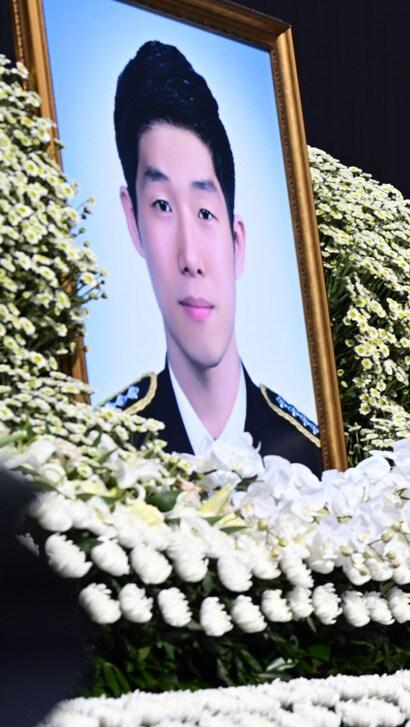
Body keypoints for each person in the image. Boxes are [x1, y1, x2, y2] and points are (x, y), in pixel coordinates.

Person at [101, 40, 321, 472]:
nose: (191, 258)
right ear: (133, 220)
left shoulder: (310, 453)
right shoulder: (103, 450)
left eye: (205, 213)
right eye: (162, 206)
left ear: (236, 243)